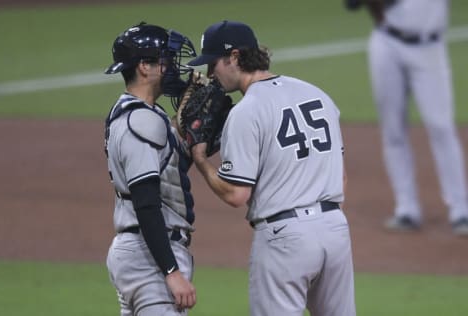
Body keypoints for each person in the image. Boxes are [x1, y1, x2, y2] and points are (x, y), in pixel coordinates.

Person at [187, 20, 356, 316]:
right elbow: (341, 180)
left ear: (235, 56)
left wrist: (201, 161)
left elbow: (237, 194)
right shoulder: (317, 95)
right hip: (335, 229)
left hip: (285, 238)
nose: (211, 74)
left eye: (214, 63)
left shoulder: (246, 111)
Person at [345, 0, 468, 236]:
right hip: (387, 43)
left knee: (441, 127)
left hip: (430, 48)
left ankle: (461, 210)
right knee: (393, 130)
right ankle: (407, 209)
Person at [103, 22, 198, 315]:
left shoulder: (138, 114)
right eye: (166, 61)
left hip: (140, 253)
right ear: (145, 66)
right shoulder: (140, 123)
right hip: (150, 258)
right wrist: (170, 271)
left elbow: (169, 174)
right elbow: (146, 203)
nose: (173, 68)